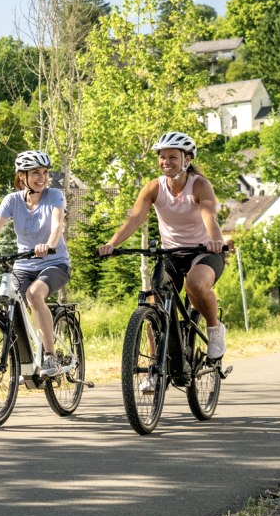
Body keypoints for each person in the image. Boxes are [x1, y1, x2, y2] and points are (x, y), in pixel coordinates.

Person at [96, 132, 228, 392]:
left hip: (204, 251)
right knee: (153, 306)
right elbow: (134, 219)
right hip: (171, 254)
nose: (166, 161)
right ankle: (156, 369)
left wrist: (216, 241)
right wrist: (112, 243)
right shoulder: (154, 187)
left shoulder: (199, 185)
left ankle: (214, 329)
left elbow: (210, 217)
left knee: (196, 284)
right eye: (162, 157)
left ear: (187, 159)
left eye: (172, 157)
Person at [0, 149, 70, 377]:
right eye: (35, 173)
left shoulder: (54, 195)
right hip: (24, 265)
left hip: (54, 263)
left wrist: (48, 244)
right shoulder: (12, 200)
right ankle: (25, 361)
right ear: (21, 176)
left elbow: (58, 225)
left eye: (45, 172)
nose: (42, 178)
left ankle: (50, 356)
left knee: (35, 295)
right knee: (13, 305)